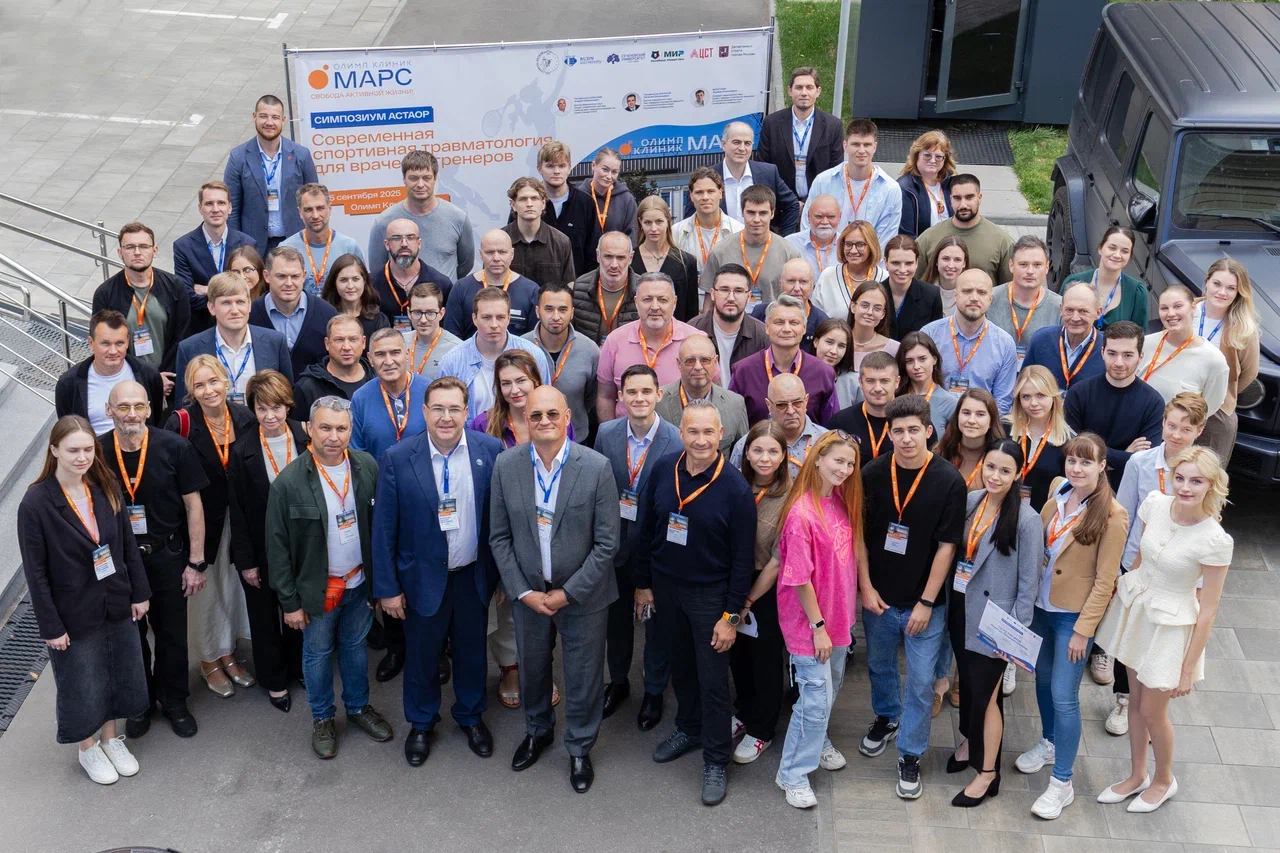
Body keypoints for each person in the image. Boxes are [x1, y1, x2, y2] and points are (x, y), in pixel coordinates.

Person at [489, 385, 620, 793]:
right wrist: (522, 591)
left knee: (583, 675)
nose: (544, 421)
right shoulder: (506, 465)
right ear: (525, 421)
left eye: (551, 414)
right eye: (535, 415)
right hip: (528, 593)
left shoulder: (596, 466)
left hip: (583, 595)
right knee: (532, 669)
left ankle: (579, 747)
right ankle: (538, 731)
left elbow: (607, 544)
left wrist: (569, 592)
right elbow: (499, 537)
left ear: (567, 418)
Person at [371, 376, 504, 767]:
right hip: (420, 579)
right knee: (422, 656)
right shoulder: (398, 457)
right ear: (425, 412)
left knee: (472, 653)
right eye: (439, 409)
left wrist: (500, 576)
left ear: (466, 411)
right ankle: (421, 722)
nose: (446, 417)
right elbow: (384, 528)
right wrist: (387, 589)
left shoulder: (489, 450)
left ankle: (471, 716)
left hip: (472, 576)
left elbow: (499, 519)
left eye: (454, 409)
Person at [1093, 447, 1232, 814]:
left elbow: (1209, 611)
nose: (1185, 487)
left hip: (1171, 628)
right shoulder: (1155, 503)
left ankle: (1164, 780)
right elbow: (1140, 558)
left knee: (1154, 712)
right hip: (1139, 613)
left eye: (1196, 481)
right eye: (1180, 478)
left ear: (1211, 485)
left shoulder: (1215, 539)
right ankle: (1137, 775)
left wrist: (1187, 669)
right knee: (1135, 703)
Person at [634, 402, 756, 806]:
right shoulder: (663, 468)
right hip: (666, 588)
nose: (700, 440)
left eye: (708, 432)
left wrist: (730, 616)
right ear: (681, 432)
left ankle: (716, 759)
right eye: (692, 432)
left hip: (710, 597)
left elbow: (743, 561)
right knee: (681, 667)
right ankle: (689, 727)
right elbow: (646, 529)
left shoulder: (736, 489)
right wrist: (643, 584)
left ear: (721, 434)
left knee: (713, 680)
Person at [18, 416, 150, 784]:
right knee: (81, 679)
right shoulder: (36, 503)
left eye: (88, 449)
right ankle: (87, 746)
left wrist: (139, 592)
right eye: (73, 450)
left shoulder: (105, 485)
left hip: (114, 598)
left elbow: (127, 545)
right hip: (72, 610)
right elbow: (35, 572)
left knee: (117, 670)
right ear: (54, 450)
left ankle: (110, 739)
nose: (82, 457)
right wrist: (50, 626)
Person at [265, 396, 393, 759]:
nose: (333, 437)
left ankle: (358, 707)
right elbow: (277, 548)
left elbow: (382, 528)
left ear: (351, 431)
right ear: (309, 428)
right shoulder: (288, 482)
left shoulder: (367, 466)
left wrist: (382, 584)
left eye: (341, 428)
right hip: (318, 591)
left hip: (360, 585)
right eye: (325, 427)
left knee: (355, 648)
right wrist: (290, 603)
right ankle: (322, 718)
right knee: (318, 654)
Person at [857, 394, 967, 800]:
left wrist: (926, 602)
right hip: (879, 600)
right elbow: (859, 537)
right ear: (889, 433)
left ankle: (910, 753)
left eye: (913, 430)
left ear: (929, 431)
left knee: (921, 683)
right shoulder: (871, 474)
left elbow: (947, 547)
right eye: (898, 431)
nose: (906, 438)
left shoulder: (949, 480)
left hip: (926, 606)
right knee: (879, 665)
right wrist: (866, 587)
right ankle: (887, 716)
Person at [1015, 432, 1127, 819]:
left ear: (1102, 466)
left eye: (1086, 462)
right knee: (1042, 682)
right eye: (1072, 460)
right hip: (1042, 607)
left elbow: (1106, 581)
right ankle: (1049, 743)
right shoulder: (1058, 490)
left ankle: (1062, 783)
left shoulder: (1113, 515)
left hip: (1071, 618)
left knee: (1064, 695)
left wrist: (1083, 631)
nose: (1077, 468)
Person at [102, 382, 208, 739]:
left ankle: (174, 701)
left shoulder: (175, 447)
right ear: (109, 411)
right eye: (123, 407)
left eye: (138, 406)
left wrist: (196, 562)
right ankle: (140, 703)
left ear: (149, 408)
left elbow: (194, 505)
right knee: (130, 637)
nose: (131, 414)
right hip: (120, 563)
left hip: (168, 555)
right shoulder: (97, 452)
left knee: (171, 634)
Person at [1101, 391, 1208, 734]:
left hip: (1178, 571)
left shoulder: (1206, 471)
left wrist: (1199, 584)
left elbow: (1208, 524)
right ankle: (1124, 698)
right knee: (1130, 633)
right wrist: (1117, 567)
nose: (1176, 435)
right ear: (1162, 423)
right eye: (1171, 426)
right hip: (1138, 563)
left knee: (1162, 640)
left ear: (1199, 431)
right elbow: (1124, 515)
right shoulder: (1141, 463)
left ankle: (1154, 709)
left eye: (1186, 429)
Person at [772, 429, 867, 808]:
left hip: (838, 617)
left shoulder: (840, 500)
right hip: (810, 626)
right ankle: (793, 774)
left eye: (850, 463)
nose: (844, 469)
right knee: (814, 700)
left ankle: (817, 738)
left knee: (828, 691)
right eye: (837, 460)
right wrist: (818, 628)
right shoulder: (801, 514)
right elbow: (798, 578)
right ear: (818, 459)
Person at [946, 439, 1043, 808]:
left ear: (1018, 474)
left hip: (996, 623)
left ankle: (988, 773)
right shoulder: (972, 500)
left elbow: (1029, 583)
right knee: (970, 687)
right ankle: (971, 740)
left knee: (987, 696)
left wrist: (1013, 637)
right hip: (962, 607)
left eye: (1005, 470)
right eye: (990, 467)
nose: (995, 476)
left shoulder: (1027, 520)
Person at [595, 365, 680, 730]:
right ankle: (618, 682)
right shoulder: (606, 434)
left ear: (659, 394)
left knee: (656, 625)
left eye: (646, 391)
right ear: (621, 397)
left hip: (656, 551)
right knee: (616, 623)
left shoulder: (676, 440)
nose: (639, 398)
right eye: (632, 392)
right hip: (614, 548)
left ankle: (654, 690)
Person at [165, 355, 255, 698]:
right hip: (201, 522)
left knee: (231, 588)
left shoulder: (244, 417)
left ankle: (227, 652)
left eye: (213, 381)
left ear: (225, 381)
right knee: (204, 595)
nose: (209, 390)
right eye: (199, 385)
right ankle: (208, 660)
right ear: (191, 390)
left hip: (238, 518)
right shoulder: (181, 423)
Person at [226, 370, 307, 713]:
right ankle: (274, 681)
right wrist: (246, 562)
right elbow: (238, 510)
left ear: (288, 406)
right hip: (260, 547)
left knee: (300, 610)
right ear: (253, 409)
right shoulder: (242, 449)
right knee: (264, 617)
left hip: (302, 545)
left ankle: (300, 667)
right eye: (262, 408)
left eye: (276, 407)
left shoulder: (307, 437)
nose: (270, 416)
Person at [728, 421, 793, 767]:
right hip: (733, 581)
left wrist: (749, 600)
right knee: (737, 653)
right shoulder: (735, 484)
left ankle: (762, 729)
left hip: (766, 588)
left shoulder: (791, 495)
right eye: (758, 450)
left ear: (783, 456)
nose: (764, 458)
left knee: (764, 658)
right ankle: (744, 710)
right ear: (746, 453)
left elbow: (778, 561)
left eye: (772, 451)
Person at [1064, 321, 1168, 489]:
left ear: (1140, 357)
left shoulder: (1153, 402)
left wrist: (1091, 454)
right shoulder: (1079, 393)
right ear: (1102, 352)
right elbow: (1070, 447)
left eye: (1127, 355)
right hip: (1080, 486)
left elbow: (1145, 461)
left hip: (1126, 490)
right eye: (1112, 353)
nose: (1118, 362)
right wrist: (1125, 455)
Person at [94, 222, 191, 394]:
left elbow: (182, 335)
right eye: (130, 247)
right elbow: (105, 342)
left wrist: (162, 377)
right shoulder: (105, 293)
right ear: (120, 252)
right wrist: (149, 378)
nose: (137, 252)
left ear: (154, 251)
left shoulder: (175, 286)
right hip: (126, 381)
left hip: (170, 380)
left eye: (144, 246)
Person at [435, 287, 554, 423]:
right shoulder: (451, 362)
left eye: (500, 317)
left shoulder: (533, 355)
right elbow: (444, 411)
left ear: (509, 318)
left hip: (522, 434)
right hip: (473, 435)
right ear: (474, 319)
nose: (494, 324)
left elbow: (546, 402)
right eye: (486, 317)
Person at [596, 273, 703, 421]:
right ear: (636, 302)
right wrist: (611, 432)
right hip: (627, 433)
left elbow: (712, 392)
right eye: (647, 299)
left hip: (680, 432)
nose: (654, 307)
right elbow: (605, 397)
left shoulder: (697, 341)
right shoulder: (614, 341)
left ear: (674, 302)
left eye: (662, 300)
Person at [175, 271, 292, 404]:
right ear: (211, 308)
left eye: (240, 302)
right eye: (226, 303)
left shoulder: (275, 343)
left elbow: (287, 397)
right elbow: (184, 403)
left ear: (249, 305)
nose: (235, 310)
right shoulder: (190, 349)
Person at [224, 95, 318, 253]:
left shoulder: (301, 155)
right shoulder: (238, 157)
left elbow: (314, 200)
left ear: (283, 120)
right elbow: (231, 208)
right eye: (263, 116)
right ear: (254, 117)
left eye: (275, 117)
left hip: (294, 243)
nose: (269, 122)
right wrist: (238, 248)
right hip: (253, 247)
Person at [729, 294, 838, 426]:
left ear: (804, 328)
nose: (787, 329)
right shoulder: (743, 371)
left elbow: (831, 429)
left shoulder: (823, 373)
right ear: (767, 327)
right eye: (779, 322)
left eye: (794, 323)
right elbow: (733, 425)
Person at [921, 269, 1018, 414]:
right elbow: (917, 388)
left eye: (981, 292)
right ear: (955, 296)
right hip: (934, 420)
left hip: (981, 423)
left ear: (990, 299)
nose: (974, 298)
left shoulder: (1004, 344)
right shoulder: (930, 334)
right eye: (967, 291)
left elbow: (1002, 402)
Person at [366, 150, 475, 280]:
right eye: (413, 178)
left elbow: (465, 265)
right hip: (400, 294)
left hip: (445, 293)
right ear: (404, 180)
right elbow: (378, 270)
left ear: (435, 179)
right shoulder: (384, 222)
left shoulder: (458, 218)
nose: (420, 184)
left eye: (426, 178)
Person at [56, 309, 166, 436]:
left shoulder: (149, 375)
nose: (113, 351)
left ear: (127, 341)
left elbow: (155, 420)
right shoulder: (68, 383)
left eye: (119, 343)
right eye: (105, 343)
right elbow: (67, 430)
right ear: (91, 343)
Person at [1192, 258, 1260, 459]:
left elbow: (1249, 373)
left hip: (1216, 413)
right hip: (1175, 404)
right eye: (1217, 284)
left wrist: (1220, 393)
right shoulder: (1185, 309)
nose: (1222, 292)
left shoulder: (1244, 328)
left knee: (1207, 472)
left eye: (1231, 288)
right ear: (1207, 282)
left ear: (1239, 292)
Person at [682, 122, 799, 234]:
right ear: (723, 144)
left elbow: (792, 205)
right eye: (736, 142)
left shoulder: (768, 173)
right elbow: (690, 218)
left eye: (747, 143)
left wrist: (783, 238)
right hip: (720, 244)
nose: (742, 148)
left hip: (759, 245)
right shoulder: (706, 178)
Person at [172, 182, 257, 335]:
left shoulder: (247, 244)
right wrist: (234, 294)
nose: (216, 209)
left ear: (230, 208)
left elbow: (253, 290)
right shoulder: (183, 246)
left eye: (221, 203)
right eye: (209, 203)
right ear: (200, 208)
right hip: (201, 329)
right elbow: (188, 297)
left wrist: (207, 290)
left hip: (240, 328)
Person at [803, 118, 901, 248]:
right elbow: (808, 224)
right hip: (826, 254)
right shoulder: (823, 181)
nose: (861, 150)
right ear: (845, 146)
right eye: (856, 144)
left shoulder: (890, 188)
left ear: (875, 147)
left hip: (870, 257)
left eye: (867, 145)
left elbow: (887, 237)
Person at [756, 67, 845, 210]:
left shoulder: (833, 126)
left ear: (818, 91)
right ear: (789, 91)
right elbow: (763, 167)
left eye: (809, 87)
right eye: (798, 87)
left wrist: (809, 202)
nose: (804, 93)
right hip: (780, 206)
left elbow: (835, 171)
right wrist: (790, 202)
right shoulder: (772, 123)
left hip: (818, 206)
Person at [704, 184, 806, 310]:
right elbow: (709, 300)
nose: (757, 219)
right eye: (751, 213)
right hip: (730, 320)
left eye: (763, 213)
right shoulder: (720, 251)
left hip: (774, 320)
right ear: (742, 212)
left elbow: (797, 300)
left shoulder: (789, 253)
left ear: (772, 213)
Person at [522, 281, 599, 443]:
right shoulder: (521, 347)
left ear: (572, 313)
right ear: (537, 311)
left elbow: (590, 397)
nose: (556, 316)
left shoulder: (590, 350)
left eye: (563, 309)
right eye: (549, 309)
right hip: (529, 438)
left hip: (576, 439)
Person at [1138, 285, 1229, 416]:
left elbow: (1208, 408)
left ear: (1193, 308)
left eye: (1178, 306)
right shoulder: (1145, 344)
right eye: (1164, 308)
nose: (1170, 313)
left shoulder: (1214, 359)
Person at [249, 246, 338, 378]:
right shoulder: (250, 315)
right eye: (281, 276)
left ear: (304, 276)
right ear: (267, 276)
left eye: (295, 276)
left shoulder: (327, 314)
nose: (289, 283)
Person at [655, 334, 750, 455]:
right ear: (679, 363)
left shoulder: (735, 404)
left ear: (715, 362)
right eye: (690, 361)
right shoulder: (658, 402)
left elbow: (741, 455)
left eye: (705, 360)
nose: (698, 367)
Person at [350, 328, 430, 465]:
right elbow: (357, 455)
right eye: (380, 354)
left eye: (395, 353)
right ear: (370, 359)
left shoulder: (430, 391)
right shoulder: (361, 398)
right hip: (378, 477)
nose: (388, 361)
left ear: (407, 354)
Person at [915, 175, 1014, 286]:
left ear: (979, 198)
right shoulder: (928, 238)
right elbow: (914, 284)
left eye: (969, 197)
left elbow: (1009, 288)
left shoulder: (1002, 241)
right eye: (957, 198)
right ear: (950, 199)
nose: (963, 205)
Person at [729, 373, 829, 477]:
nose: (790, 411)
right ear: (768, 405)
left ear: (806, 401)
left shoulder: (827, 441)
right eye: (781, 405)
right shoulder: (746, 445)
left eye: (797, 403)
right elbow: (733, 483)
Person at [445, 230, 540, 338]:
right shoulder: (461, 288)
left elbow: (534, 338)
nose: (496, 258)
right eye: (490, 252)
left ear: (512, 254)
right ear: (481, 254)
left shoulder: (531, 291)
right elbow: (452, 337)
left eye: (502, 252)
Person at [471, 350, 577, 444]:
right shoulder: (483, 424)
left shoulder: (557, 420)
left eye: (521, 381)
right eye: (506, 383)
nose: (514, 390)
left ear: (535, 381)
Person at [371, 218, 456, 332]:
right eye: (397, 238)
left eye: (410, 237)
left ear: (419, 243)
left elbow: (449, 330)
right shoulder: (370, 283)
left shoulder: (441, 284)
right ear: (387, 244)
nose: (404, 244)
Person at [280, 183, 365, 296]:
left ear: (330, 209)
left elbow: (363, 289)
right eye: (308, 210)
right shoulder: (285, 249)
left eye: (320, 208)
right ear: (300, 212)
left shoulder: (349, 247)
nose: (315, 215)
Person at [988, 236, 1061, 366]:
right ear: (1011, 265)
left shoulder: (1059, 306)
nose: (1030, 271)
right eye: (1023, 264)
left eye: (1037, 265)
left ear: (1047, 267)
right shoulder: (989, 300)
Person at [1006, 365, 1072, 510]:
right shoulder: (1005, 429)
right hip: (1002, 511)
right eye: (1026, 397)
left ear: (1053, 396)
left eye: (1040, 395)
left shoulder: (1068, 441)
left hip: (1043, 516)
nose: (1033, 403)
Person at [672, 168, 744, 295]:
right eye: (699, 192)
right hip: (688, 300)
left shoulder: (739, 231)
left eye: (710, 191)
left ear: (720, 193)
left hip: (726, 300)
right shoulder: (676, 232)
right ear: (691, 196)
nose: (705, 197)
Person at [534, 141, 601, 277]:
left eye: (562, 165)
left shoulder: (585, 203)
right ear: (539, 169)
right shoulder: (527, 202)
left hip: (576, 286)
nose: (556, 171)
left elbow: (594, 252)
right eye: (550, 166)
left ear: (569, 168)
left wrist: (585, 285)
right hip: (536, 287)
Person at [1022, 281, 1105, 391]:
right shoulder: (1041, 340)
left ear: (1098, 313)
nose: (1075, 318)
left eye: (1083, 311)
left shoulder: (1107, 349)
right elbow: (1024, 386)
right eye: (1069, 310)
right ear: (1061, 309)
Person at [1059, 226, 1147, 329]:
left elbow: (1140, 334)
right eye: (1112, 248)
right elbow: (1057, 321)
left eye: (1125, 251)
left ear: (1130, 256)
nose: (1117, 255)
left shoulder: (1136, 292)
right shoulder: (1073, 282)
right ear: (1100, 248)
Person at [291, 314, 373, 420]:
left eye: (353, 339)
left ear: (363, 342)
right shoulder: (308, 387)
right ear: (327, 343)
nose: (346, 347)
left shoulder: (378, 379)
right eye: (339, 340)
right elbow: (298, 428)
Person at [632, 196, 700, 322]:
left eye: (659, 222)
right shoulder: (629, 260)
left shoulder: (686, 262)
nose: (653, 228)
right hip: (636, 330)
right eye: (648, 222)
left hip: (675, 331)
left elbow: (691, 312)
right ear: (640, 222)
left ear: (668, 221)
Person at [689, 264, 768, 370]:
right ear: (712, 294)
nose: (731, 298)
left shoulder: (763, 336)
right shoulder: (692, 330)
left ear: (748, 296)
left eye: (738, 291)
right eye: (724, 290)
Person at [503, 176, 574, 287]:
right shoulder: (500, 241)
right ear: (513, 205)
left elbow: (568, 285)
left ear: (543, 203)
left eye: (534, 198)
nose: (529, 204)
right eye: (523, 199)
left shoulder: (561, 242)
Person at [749, 258, 831, 354]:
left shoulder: (822, 322)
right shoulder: (761, 314)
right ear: (781, 284)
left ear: (812, 286)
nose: (797, 288)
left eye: (803, 282)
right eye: (791, 281)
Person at [571, 232, 639, 345]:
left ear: (630, 258)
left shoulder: (644, 290)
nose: (614, 265)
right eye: (608, 256)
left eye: (621, 257)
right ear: (598, 255)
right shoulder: (579, 288)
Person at [828, 351, 897, 461]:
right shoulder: (840, 423)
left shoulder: (912, 421)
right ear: (860, 382)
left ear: (897, 382)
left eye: (884, 381)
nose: (877, 388)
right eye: (870, 381)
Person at [811, 220, 887, 318]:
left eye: (860, 244)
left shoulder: (885, 278)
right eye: (848, 244)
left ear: (871, 246)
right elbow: (815, 317)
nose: (853, 250)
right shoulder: (828, 276)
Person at [936, 388, 1007, 491]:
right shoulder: (941, 452)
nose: (971, 420)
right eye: (966, 413)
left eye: (980, 414)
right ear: (957, 416)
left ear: (991, 421)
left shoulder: (1002, 457)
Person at [897, 332, 959, 439]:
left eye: (922, 359)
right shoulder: (895, 399)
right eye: (909, 361)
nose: (916, 366)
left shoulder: (949, 403)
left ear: (934, 359)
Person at [897, 130, 957, 239]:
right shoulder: (905, 189)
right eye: (927, 155)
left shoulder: (953, 184)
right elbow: (906, 236)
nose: (933, 160)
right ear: (917, 156)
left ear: (945, 159)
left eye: (938, 156)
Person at [883, 235, 942, 340]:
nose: (902, 269)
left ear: (917, 263)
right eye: (896, 263)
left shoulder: (931, 295)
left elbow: (937, 337)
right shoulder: (874, 293)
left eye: (908, 263)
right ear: (885, 262)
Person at [320, 254, 390, 341]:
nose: (350, 286)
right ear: (334, 283)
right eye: (344, 280)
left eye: (355, 279)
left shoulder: (379, 320)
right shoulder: (324, 318)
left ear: (364, 281)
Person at [405, 282, 462, 382]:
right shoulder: (399, 343)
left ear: (441, 313)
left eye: (430, 313)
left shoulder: (457, 349)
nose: (423, 320)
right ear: (408, 313)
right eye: (417, 312)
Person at [579, 147, 637, 243]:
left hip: (617, 252)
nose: (609, 176)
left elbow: (632, 236)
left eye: (614, 172)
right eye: (605, 170)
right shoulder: (578, 197)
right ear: (593, 165)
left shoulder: (626, 199)